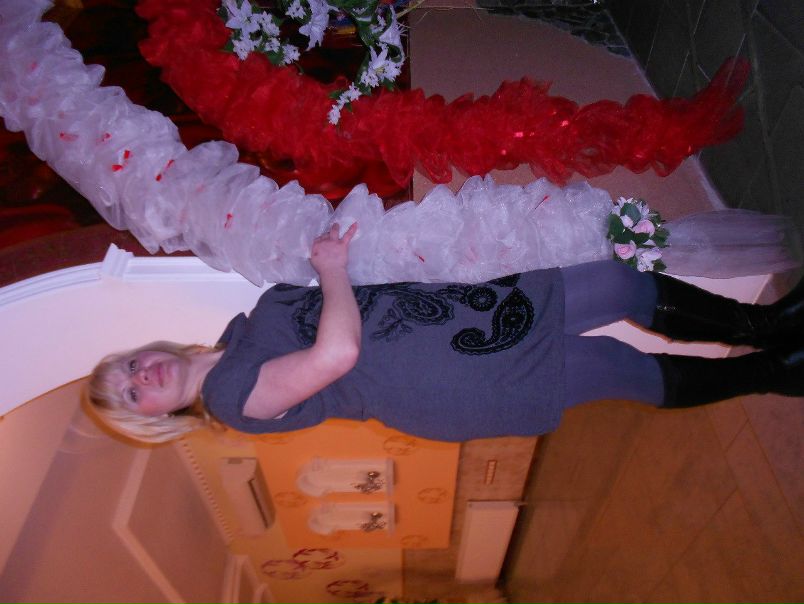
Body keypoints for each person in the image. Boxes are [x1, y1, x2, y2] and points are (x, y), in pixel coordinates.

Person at [87, 223, 804, 444]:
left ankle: (767, 324)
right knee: (621, 367)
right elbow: (337, 353)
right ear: (158, 418)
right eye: (133, 395)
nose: (141, 376)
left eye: (128, 368)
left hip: (466, 312)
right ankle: (775, 371)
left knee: (617, 284)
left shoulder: (240, 332)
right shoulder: (231, 399)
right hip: (463, 381)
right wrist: (331, 270)